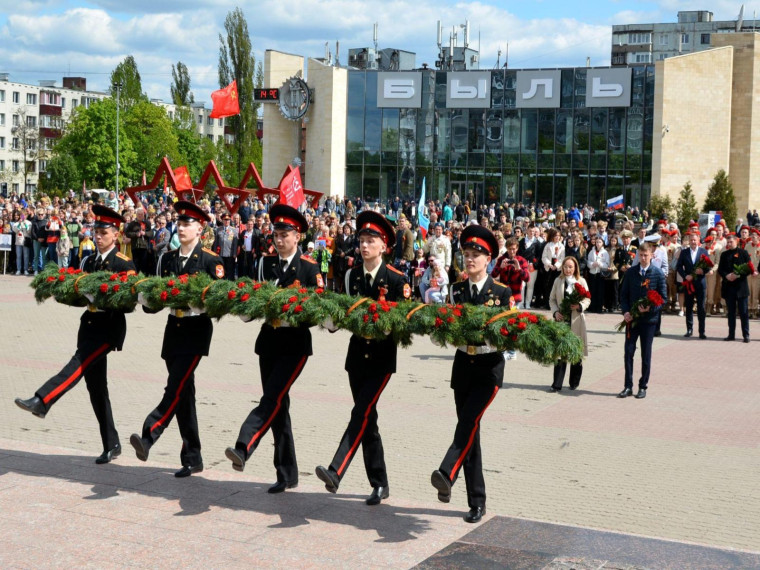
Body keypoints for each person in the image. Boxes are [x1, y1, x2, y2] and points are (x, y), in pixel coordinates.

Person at [15, 205, 136, 464]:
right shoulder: (88, 260)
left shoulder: (123, 263)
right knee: (96, 389)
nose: (98, 235)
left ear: (115, 234)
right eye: (96, 231)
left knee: (77, 364)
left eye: (103, 232)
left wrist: (102, 298)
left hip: (108, 328)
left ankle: (42, 400)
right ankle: (112, 444)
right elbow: (79, 296)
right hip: (89, 325)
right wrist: (62, 294)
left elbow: (128, 302)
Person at [225, 204, 323, 493]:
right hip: (268, 342)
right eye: (276, 235)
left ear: (298, 237)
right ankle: (287, 473)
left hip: (294, 345)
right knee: (279, 408)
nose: (279, 240)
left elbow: (315, 309)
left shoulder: (309, 269)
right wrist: (246, 309)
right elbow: (253, 298)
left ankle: (244, 445)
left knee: (271, 397)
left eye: (285, 235)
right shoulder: (263, 265)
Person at [315, 211, 411, 506]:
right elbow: (343, 313)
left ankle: (336, 469)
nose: (365, 246)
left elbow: (403, 321)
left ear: (384, 246)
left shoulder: (397, 280)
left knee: (361, 413)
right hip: (356, 357)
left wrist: (386, 324)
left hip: (382, 358)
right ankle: (380, 483)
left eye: (372, 241)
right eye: (362, 240)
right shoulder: (350, 274)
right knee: (368, 421)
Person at [130, 201, 225, 477]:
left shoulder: (210, 261)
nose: (181, 228)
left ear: (200, 229)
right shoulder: (167, 259)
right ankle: (192, 456)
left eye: (187, 224)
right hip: (174, 328)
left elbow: (219, 301)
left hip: (196, 331)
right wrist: (147, 301)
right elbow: (158, 298)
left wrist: (200, 304)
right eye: (179, 223)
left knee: (175, 386)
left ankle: (149, 434)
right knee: (184, 394)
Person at [430, 225, 512, 523]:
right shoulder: (455, 290)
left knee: (467, 422)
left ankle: (446, 472)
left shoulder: (501, 293)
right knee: (470, 434)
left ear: (488, 258)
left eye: (476, 254)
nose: (470, 259)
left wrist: (483, 334)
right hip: (463, 366)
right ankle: (476, 501)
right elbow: (449, 331)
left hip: (489, 370)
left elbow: (507, 336)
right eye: (466, 254)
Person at [618, 242, 667, 399]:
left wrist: (650, 309)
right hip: (632, 320)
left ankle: (643, 386)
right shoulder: (631, 273)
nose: (644, 258)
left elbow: (663, 300)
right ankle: (627, 386)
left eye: (646, 255)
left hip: (649, 321)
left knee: (646, 354)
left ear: (652, 255)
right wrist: (626, 312)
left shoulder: (658, 273)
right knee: (628, 352)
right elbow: (623, 295)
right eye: (641, 255)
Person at [549, 256, 590, 392]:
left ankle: (574, 382)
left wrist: (579, 305)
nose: (568, 269)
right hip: (562, 320)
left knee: (575, 352)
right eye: (565, 266)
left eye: (570, 267)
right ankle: (557, 384)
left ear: (575, 268)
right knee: (561, 352)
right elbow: (552, 299)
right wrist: (555, 313)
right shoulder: (558, 281)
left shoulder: (581, 281)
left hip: (576, 320)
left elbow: (587, 299)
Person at [718, 233, 752, 343]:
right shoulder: (724, 254)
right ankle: (731, 334)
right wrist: (727, 275)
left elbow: (749, 268)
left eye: (731, 242)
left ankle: (746, 335)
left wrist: (738, 275)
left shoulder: (743, 253)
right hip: (729, 287)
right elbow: (720, 269)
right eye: (727, 242)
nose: (729, 244)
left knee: (743, 312)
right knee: (731, 313)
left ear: (736, 242)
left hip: (741, 287)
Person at [675, 231, 708, 339]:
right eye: (691, 240)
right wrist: (685, 276)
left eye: (695, 240)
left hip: (700, 283)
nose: (693, 242)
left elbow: (708, 267)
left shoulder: (704, 251)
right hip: (689, 283)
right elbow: (679, 267)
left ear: (699, 240)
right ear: (689, 241)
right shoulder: (684, 252)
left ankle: (702, 331)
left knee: (701, 308)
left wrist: (702, 271)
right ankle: (689, 329)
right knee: (688, 307)